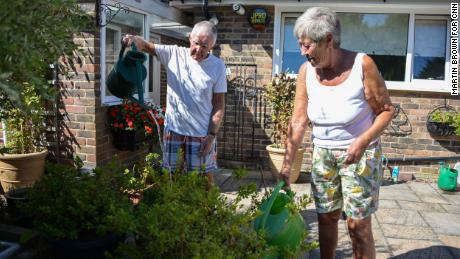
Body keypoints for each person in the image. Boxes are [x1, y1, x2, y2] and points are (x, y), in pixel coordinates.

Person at [280, 7, 395, 259]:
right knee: (326, 217)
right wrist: (287, 166)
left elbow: (386, 111)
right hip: (323, 154)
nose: (302, 52)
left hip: (360, 155)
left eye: (307, 46)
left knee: (358, 225)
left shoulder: (362, 64)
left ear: (328, 40)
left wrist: (363, 141)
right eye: (300, 45)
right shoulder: (306, 72)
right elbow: (299, 121)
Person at [122, 21, 227, 186]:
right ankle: (174, 207)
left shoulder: (217, 66)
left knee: (204, 179)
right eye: (196, 43)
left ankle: (208, 210)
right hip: (174, 130)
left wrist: (211, 135)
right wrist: (134, 39)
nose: (198, 49)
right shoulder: (173, 54)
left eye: (205, 47)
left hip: (201, 133)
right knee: (171, 175)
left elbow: (219, 104)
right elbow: (147, 46)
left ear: (212, 47)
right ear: (190, 38)